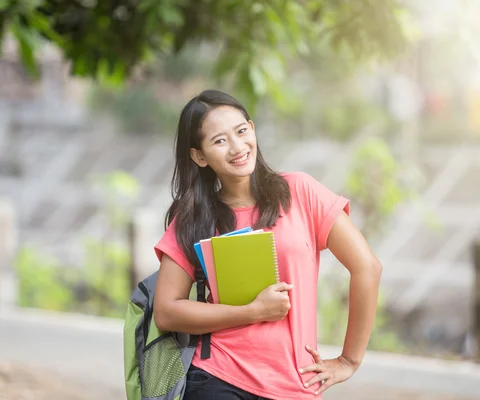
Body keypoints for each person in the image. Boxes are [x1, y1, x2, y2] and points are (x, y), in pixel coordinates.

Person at [153, 89, 382, 399]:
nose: (237, 147)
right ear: (199, 156)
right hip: (218, 377)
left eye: (241, 131)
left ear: (253, 129)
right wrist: (253, 311)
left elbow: (367, 267)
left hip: (296, 383)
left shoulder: (300, 192)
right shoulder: (194, 217)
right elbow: (166, 312)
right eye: (219, 141)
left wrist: (348, 360)